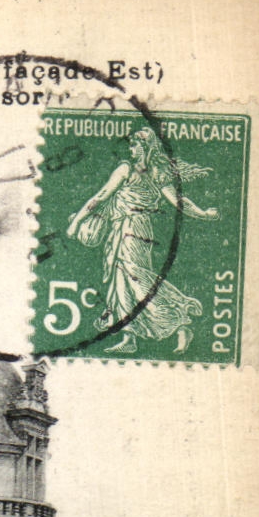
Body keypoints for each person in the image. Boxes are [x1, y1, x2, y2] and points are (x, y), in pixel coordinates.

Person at [67, 128, 219, 353]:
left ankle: (179, 323)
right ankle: (130, 338)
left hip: (132, 228)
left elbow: (178, 201)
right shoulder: (140, 170)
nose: (131, 150)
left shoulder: (142, 171)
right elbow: (101, 197)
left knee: (134, 277)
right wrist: (77, 221)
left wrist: (203, 213)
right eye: (130, 146)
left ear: (147, 147)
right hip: (129, 229)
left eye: (135, 145)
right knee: (122, 281)